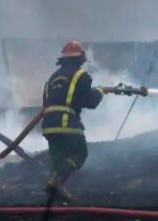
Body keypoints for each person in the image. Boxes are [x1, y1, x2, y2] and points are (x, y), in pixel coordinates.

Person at [41, 40, 104, 200]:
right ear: (80, 58)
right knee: (80, 153)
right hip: (67, 123)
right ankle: (56, 181)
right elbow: (90, 102)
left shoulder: (52, 78)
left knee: (56, 158)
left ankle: (54, 193)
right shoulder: (80, 75)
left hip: (48, 125)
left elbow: (45, 103)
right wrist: (99, 92)